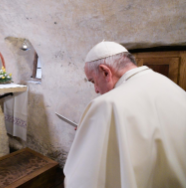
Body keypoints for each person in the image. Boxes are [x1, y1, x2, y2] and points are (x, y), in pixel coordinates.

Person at [63, 41, 186, 188]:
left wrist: (86, 136)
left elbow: (84, 178)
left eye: (93, 81)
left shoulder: (108, 104)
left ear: (105, 72)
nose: (96, 89)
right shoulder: (173, 87)